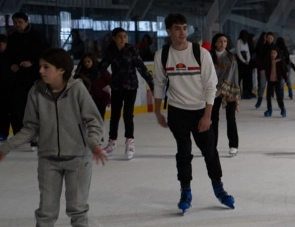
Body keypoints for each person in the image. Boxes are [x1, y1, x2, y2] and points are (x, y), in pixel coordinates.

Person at [0, 47, 108, 227]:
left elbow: (94, 121)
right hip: (48, 159)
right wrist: (6, 146)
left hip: (78, 159)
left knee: (77, 208)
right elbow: (30, 127)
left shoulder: (77, 90)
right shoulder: (36, 92)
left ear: (61, 70)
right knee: (46, 209)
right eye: (40, 66)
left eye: (46, 67)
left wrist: (93, 143)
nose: (40, 71)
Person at [152, 13, 235, 213]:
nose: (182, 32)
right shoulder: (162, 55)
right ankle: (185, 191)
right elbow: (159, 84)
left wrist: (207, 115)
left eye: (184, 27)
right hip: (177, 112)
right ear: (169, 31)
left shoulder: (200, 53)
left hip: (199, 111)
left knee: (209, 151)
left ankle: (219, 188)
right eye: (177, 28)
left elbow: (211, 86)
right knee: (183, 152)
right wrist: (157, 111)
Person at [96, 27, 153, 159]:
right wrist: (88, 80)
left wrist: (152, 83)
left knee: (128, 115)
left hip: (131, 87)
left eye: (125, 36)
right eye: (120, 37)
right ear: (114, 38)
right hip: (116, 87)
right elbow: (101, 68)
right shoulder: (111, 51)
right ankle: (112, 142)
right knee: (114, 116)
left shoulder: (131, 50)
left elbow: (141, 68)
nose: (123, 39)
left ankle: (130, 142)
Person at [7, 11, 49, 152]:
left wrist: (33, 62)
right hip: (19, 78)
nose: (17, 25)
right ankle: (24, 134)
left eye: (20, 22)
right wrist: (12, 64)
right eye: (15, 22)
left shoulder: (37, 36)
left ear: (26, 22)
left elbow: (46, 53)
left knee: (37, 105)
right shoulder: (12, 37)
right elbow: (8, 55)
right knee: (19, 106)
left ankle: (39, 135)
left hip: (35, 76)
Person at [209, 34, 241, 157]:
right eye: (220, 41)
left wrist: (226, 90)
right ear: (215, 43)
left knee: (231, 118)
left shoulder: (231, 58)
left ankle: (233, 145)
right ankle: (212, 145)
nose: (223, 44)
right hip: (212, 91)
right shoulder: (209, 57)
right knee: (213, 119)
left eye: (225, 41)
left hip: (229, 90)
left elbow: (232, 75)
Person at [75, 53, 111, 129]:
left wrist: (108, 99)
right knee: (90, 118)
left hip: (101, 99)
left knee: (100, 117)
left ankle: (99, 135)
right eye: (85, 62)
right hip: (88, 99)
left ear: (93, 61)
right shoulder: (81, 72)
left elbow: (110, 82)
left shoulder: (101, 70)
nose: (86, 63)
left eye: (88, 61)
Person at [261, 46, 288, 118]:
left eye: (274, 53)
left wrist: (286, 79)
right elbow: (263, 66)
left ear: (277, 54)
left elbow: (283, 71)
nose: (273, 54)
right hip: (270, 81)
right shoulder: (268, 61)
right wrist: (262, 69)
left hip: (277, 81)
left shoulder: (280, 61)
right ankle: (269, 109)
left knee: (279, 97)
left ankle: (283, 109)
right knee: (268, 96)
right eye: (272, 53)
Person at [253, 31, 275, 108]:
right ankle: (259, 100)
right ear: (266, 38)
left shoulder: (275, 48)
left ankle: (270, 102)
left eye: (271, 38)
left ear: (273, 38)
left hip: (272, 70)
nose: (270, 39)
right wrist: (261, 69)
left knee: (271, 86)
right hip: (264, 70)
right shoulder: (262, 47)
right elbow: (259, 59)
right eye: (268, 38)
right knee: (262, 85)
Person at [236, 31, 255, 98]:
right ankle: (237, 92)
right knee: (239, 77)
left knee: (245, 78)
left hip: (246, 61)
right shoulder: (239, 41)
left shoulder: (246, 42)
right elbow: (238, 52)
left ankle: (245, 92)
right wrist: (243, 61)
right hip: (240, 61)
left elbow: (247, 52)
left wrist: (248, 60)